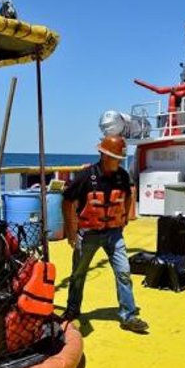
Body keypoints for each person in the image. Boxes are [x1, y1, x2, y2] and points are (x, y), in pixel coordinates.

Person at [61, 134, 149, 334]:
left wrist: (124, 217)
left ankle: (129, 315)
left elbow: (128, 195)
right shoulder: (85, 177)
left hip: (114, 234)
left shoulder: (122, 176)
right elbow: (67, 201)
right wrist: (71, 231)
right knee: (78, 274)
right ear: (104, 155)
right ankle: (72, 310)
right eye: (115, 158)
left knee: (124, 272)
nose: (118, 162)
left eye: (120, 158)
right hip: (88, 234)